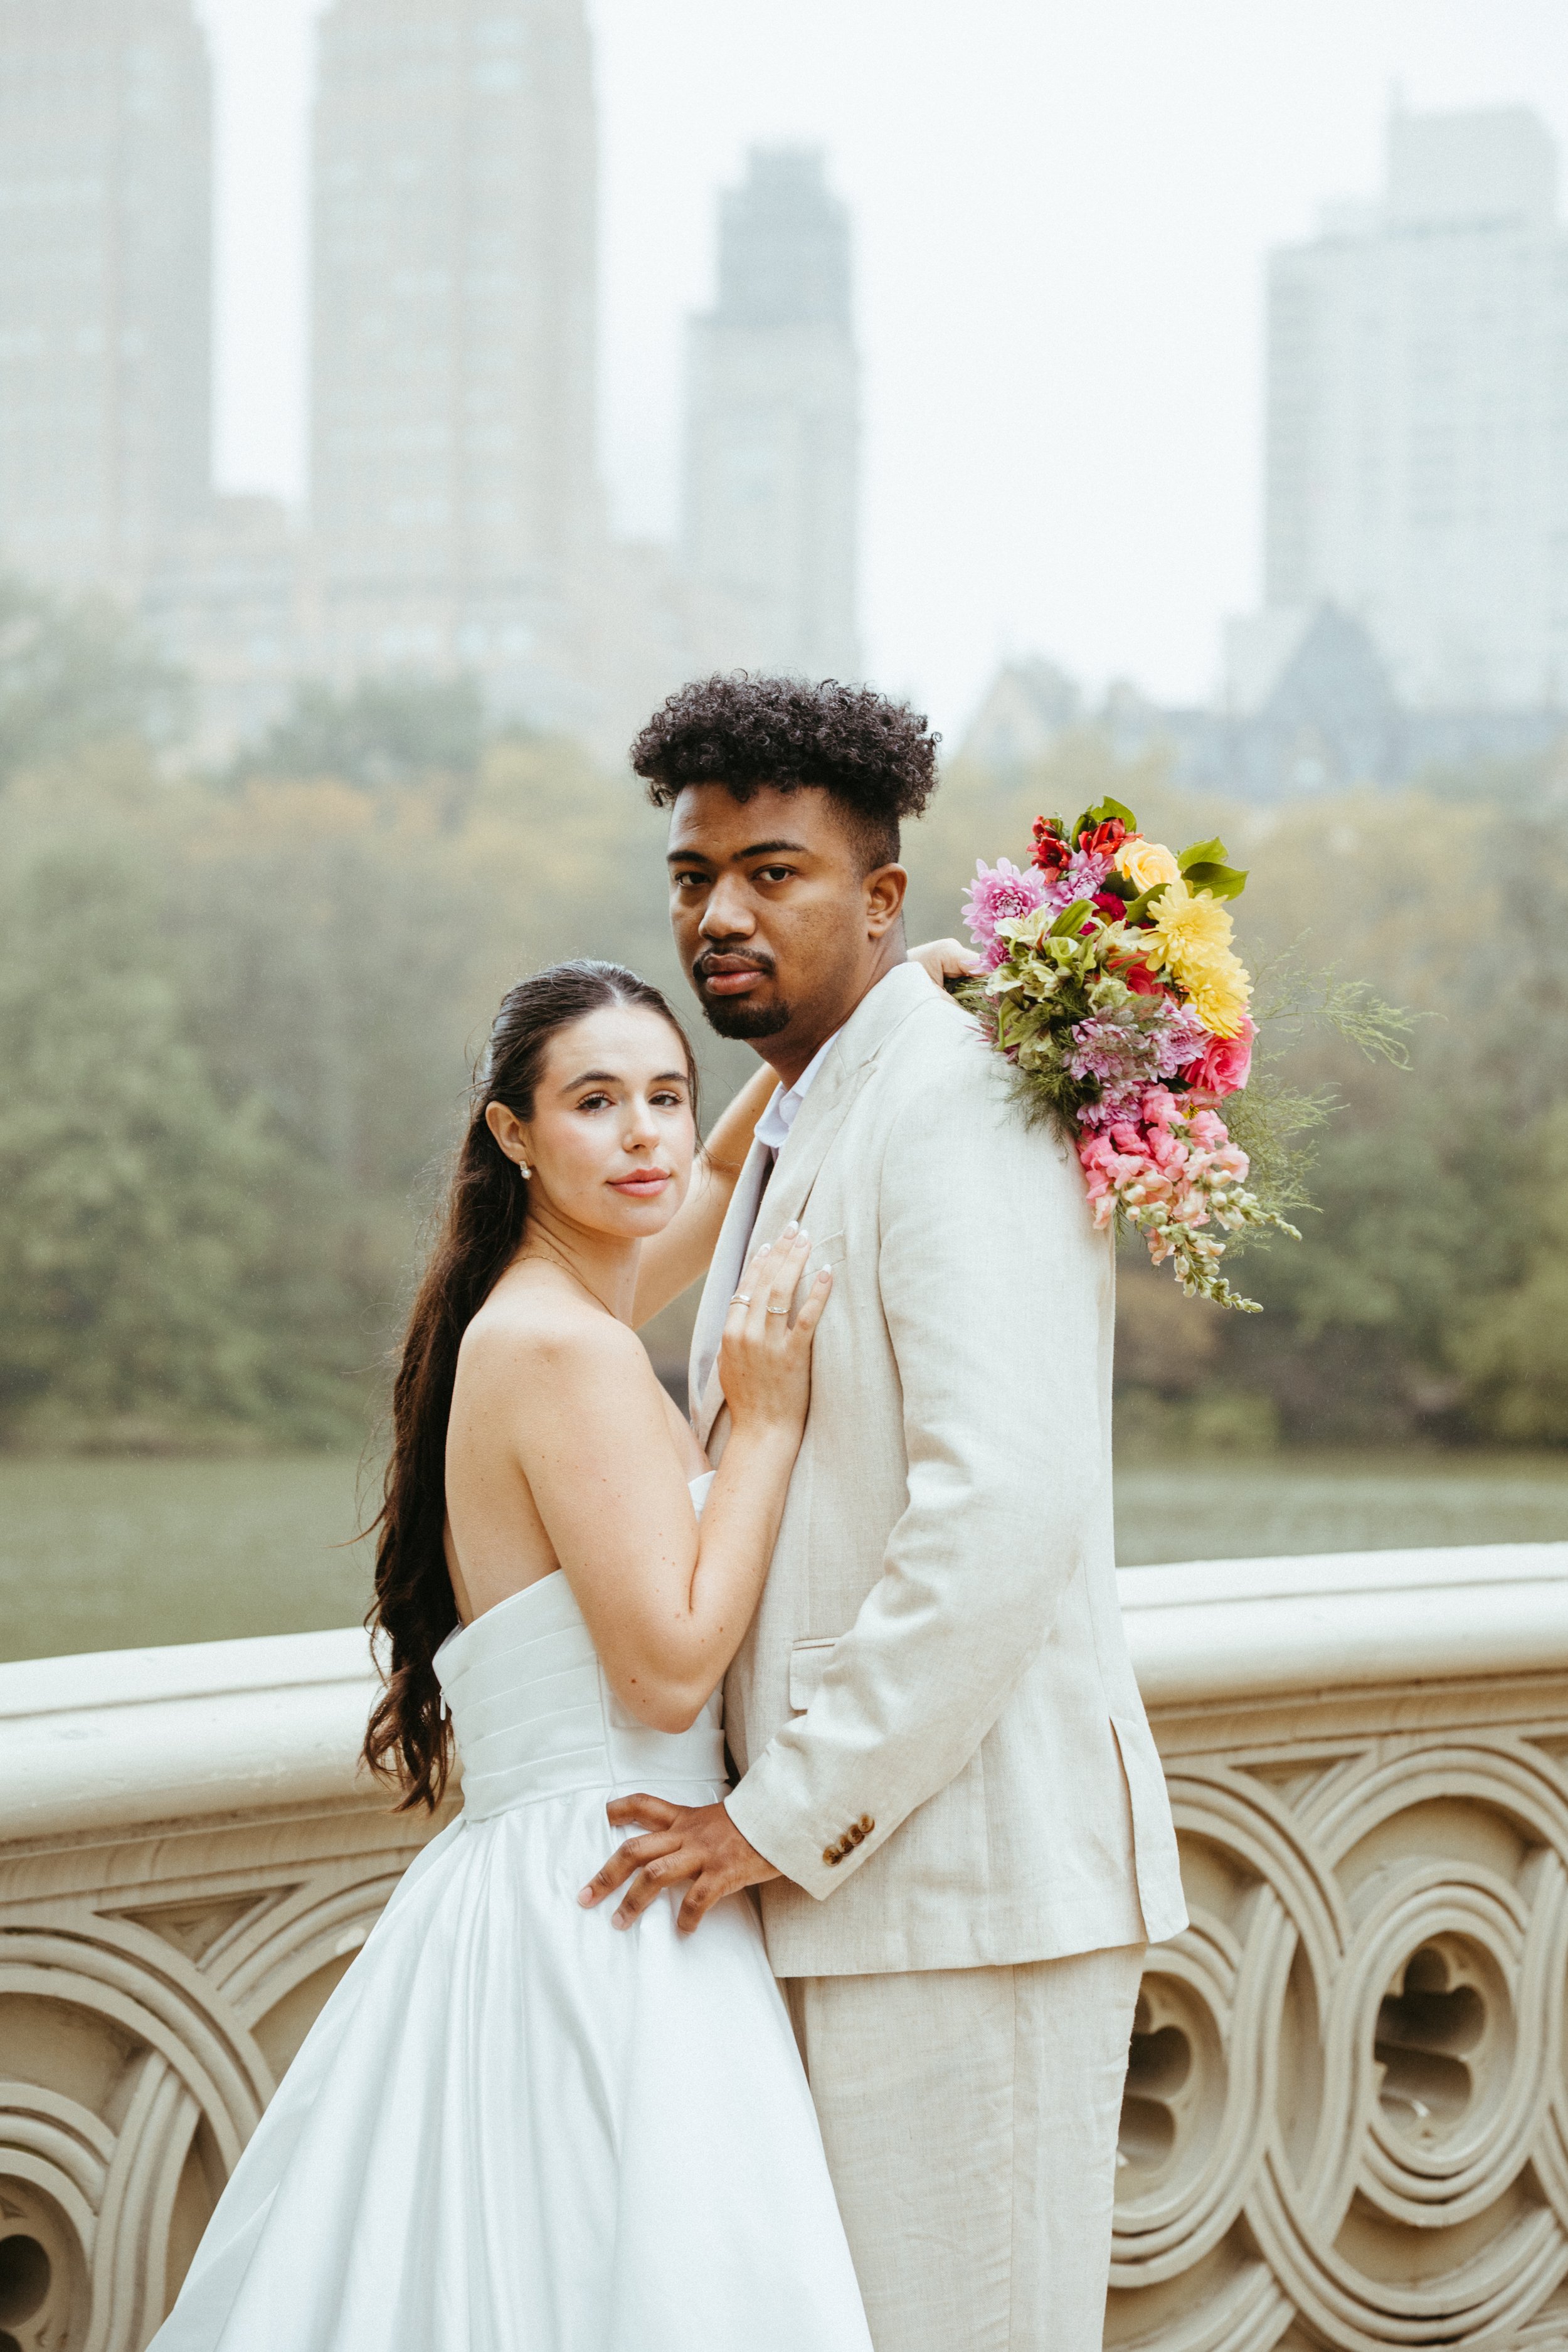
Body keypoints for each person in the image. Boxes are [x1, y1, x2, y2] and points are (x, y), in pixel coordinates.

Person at [582, 674, 1189, 2352]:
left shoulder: (958, 1098)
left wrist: (785, 1812)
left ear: (883, 896)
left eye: (771, 871)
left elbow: (1003, 1506)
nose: (718, 913)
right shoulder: (818, 1100)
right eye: (692, 878)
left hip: (959, 1905)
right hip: (859, 1909)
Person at [149, 958, 877, 2351]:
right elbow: (665, 1672)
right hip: (615, 1896)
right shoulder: (568, 1352)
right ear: (512, 1133)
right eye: (595, 1102)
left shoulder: (542, 1307)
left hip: (541, 1877)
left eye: (667, 1094)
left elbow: (707, 1193)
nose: (648, 1134)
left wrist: (805, 1062)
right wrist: (767, 1428)